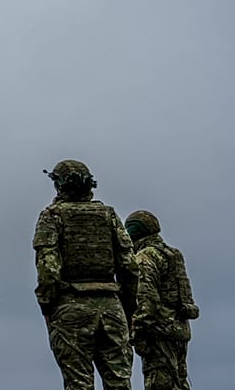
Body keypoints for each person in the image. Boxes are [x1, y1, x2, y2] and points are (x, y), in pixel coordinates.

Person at [33, 160, 139, 390]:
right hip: (113, 309)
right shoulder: (109, 215)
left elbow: (48, 270)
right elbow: (129, 267)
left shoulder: (51, 216)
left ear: (59, 185)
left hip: (71, 308)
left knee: (78, 384)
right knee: (120, 383)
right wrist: (128, 309)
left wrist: (47, 305)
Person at [124, 210, 199, 390]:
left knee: (160, 383)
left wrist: (138, 332)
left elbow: (146, 298)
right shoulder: (172, 254)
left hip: (158, 331)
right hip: (180, 329)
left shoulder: (144, 257)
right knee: (179, 383)